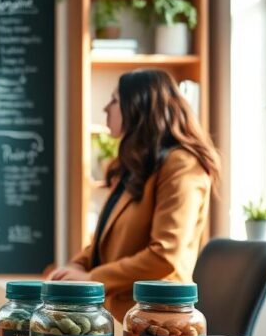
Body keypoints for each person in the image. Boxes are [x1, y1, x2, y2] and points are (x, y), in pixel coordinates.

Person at [50, 69, 221, 320]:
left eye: (115, 100)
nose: (106, 109)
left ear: (140, 108)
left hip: (155, 323)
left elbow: (164, 255)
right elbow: (109, 243)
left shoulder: (182, 165)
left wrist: (91, 280)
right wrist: (78, 265)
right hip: (119, 315)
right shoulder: (137, 166)